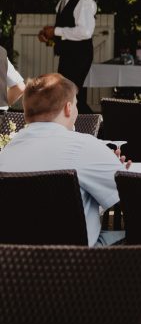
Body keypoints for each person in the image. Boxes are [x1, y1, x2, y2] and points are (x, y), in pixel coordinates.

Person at [0, 73, 126, 245]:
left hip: (15, 261)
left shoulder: (6, 153)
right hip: (74, 262)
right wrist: (113, 166)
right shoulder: (83, 146)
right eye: (76, 104)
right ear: (68, 108)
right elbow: (128, 192)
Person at [38, 0, 97, 113]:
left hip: (79, 56)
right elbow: (67, 34)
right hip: (67, 55)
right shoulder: (61, 3)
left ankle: (99, 129)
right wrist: (49, 38)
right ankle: (83, 129)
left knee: (71, 95)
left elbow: (85, 32)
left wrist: (56, 31)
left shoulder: (84, 2)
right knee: (68, 96)